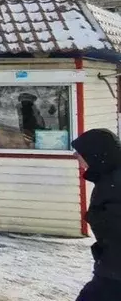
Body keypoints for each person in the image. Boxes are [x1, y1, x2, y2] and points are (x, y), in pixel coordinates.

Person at [72, 128, 121, 301]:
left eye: (80, 154)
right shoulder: (108, 177)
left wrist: (94, 217)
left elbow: (114, 227)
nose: (78, 159)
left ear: (96, 154)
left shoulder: (114, 182)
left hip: (115, 270)